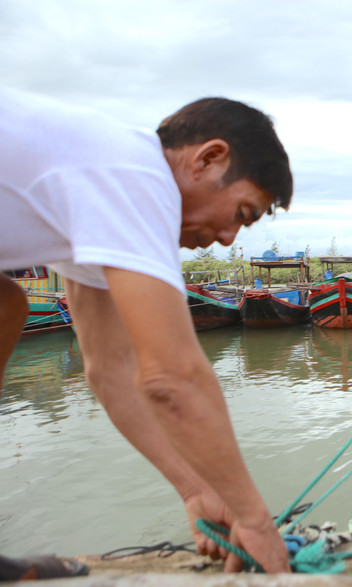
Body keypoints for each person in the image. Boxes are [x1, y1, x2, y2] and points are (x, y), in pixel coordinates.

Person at [0, 87, 294, 577]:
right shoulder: (137, 177)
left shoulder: (102, 189)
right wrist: (254, 520)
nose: (227, 237)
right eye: (241, 213)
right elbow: (172, 379)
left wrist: (196, 489)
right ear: (208, 158)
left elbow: (110, 369)